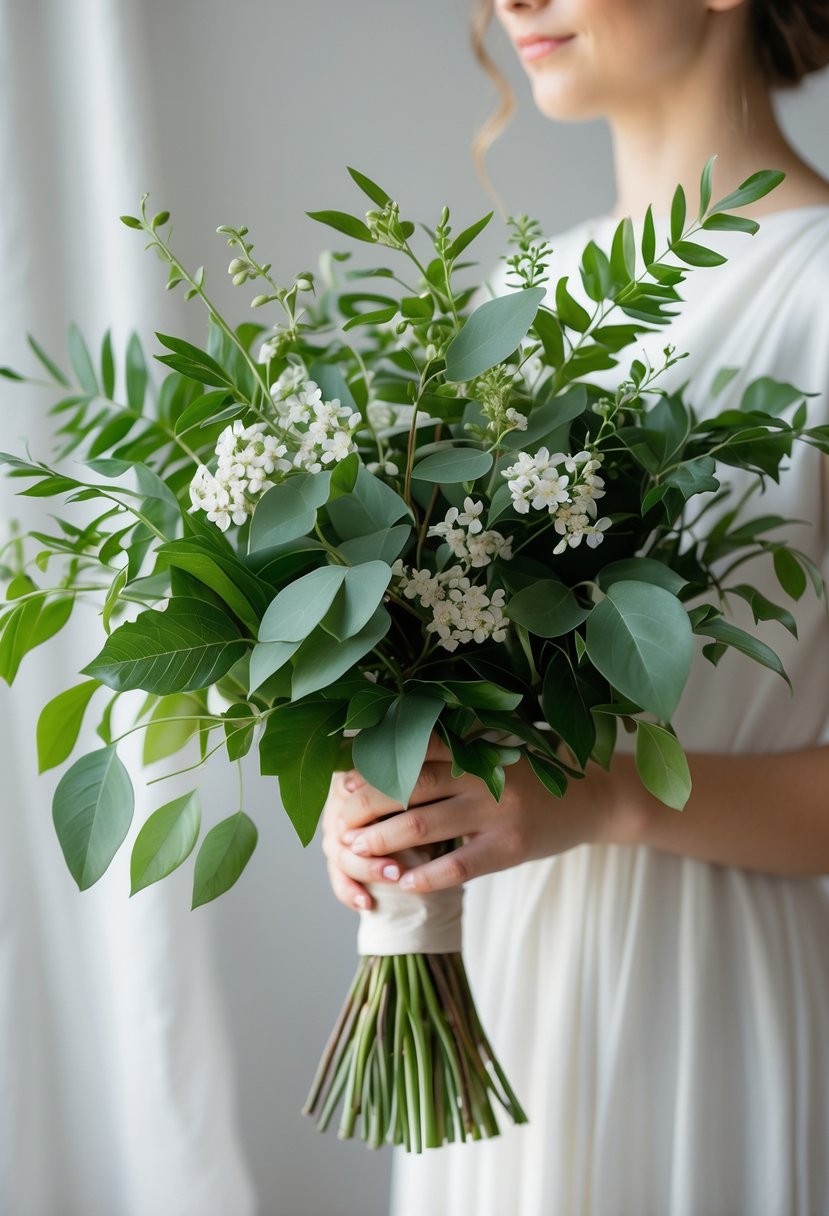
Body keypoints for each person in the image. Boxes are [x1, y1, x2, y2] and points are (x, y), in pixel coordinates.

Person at [321, 1, 829, 1212]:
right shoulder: (519, 299)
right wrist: (383, 783)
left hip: (711, 995)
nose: (510, 3)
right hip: (498, 976)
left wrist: (603, 794)